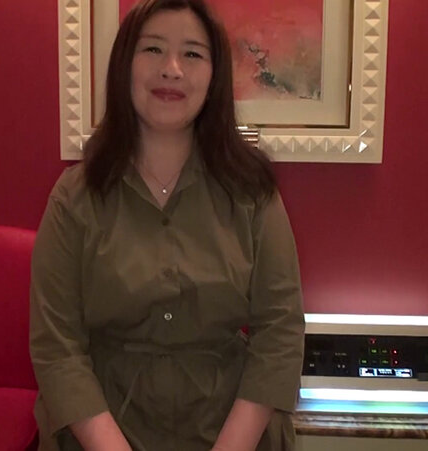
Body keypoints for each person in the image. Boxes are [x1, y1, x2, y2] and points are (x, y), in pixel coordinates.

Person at [29, 0, 305, 449]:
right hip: (104, 427)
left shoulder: (252, 192)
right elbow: (57, 347)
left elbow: (280, 333)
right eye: (153, 49)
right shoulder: (74, 196)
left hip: (229, 426)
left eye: (192, 54)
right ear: (125, 66)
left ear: (215, 76)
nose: (172, 69)